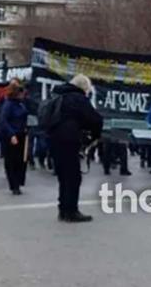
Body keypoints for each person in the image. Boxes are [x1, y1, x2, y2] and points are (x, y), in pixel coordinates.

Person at [46, 75, 103, 222]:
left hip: (54, 138)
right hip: (69, 140)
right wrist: (94, 136)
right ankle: (72, 211)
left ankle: (63, 210)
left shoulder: (58, 94)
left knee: (62, 176)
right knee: (73, 177)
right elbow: (95, 119)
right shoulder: (78, 98)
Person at [0, 83, 30, 195]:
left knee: (21, 160)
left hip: (22, 134)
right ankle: (14, 185)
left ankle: (19, 182)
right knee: (12, 161)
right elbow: (3, 121)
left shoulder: (21, 104)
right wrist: (11, 134)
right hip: (11, 135)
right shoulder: (8, 105)